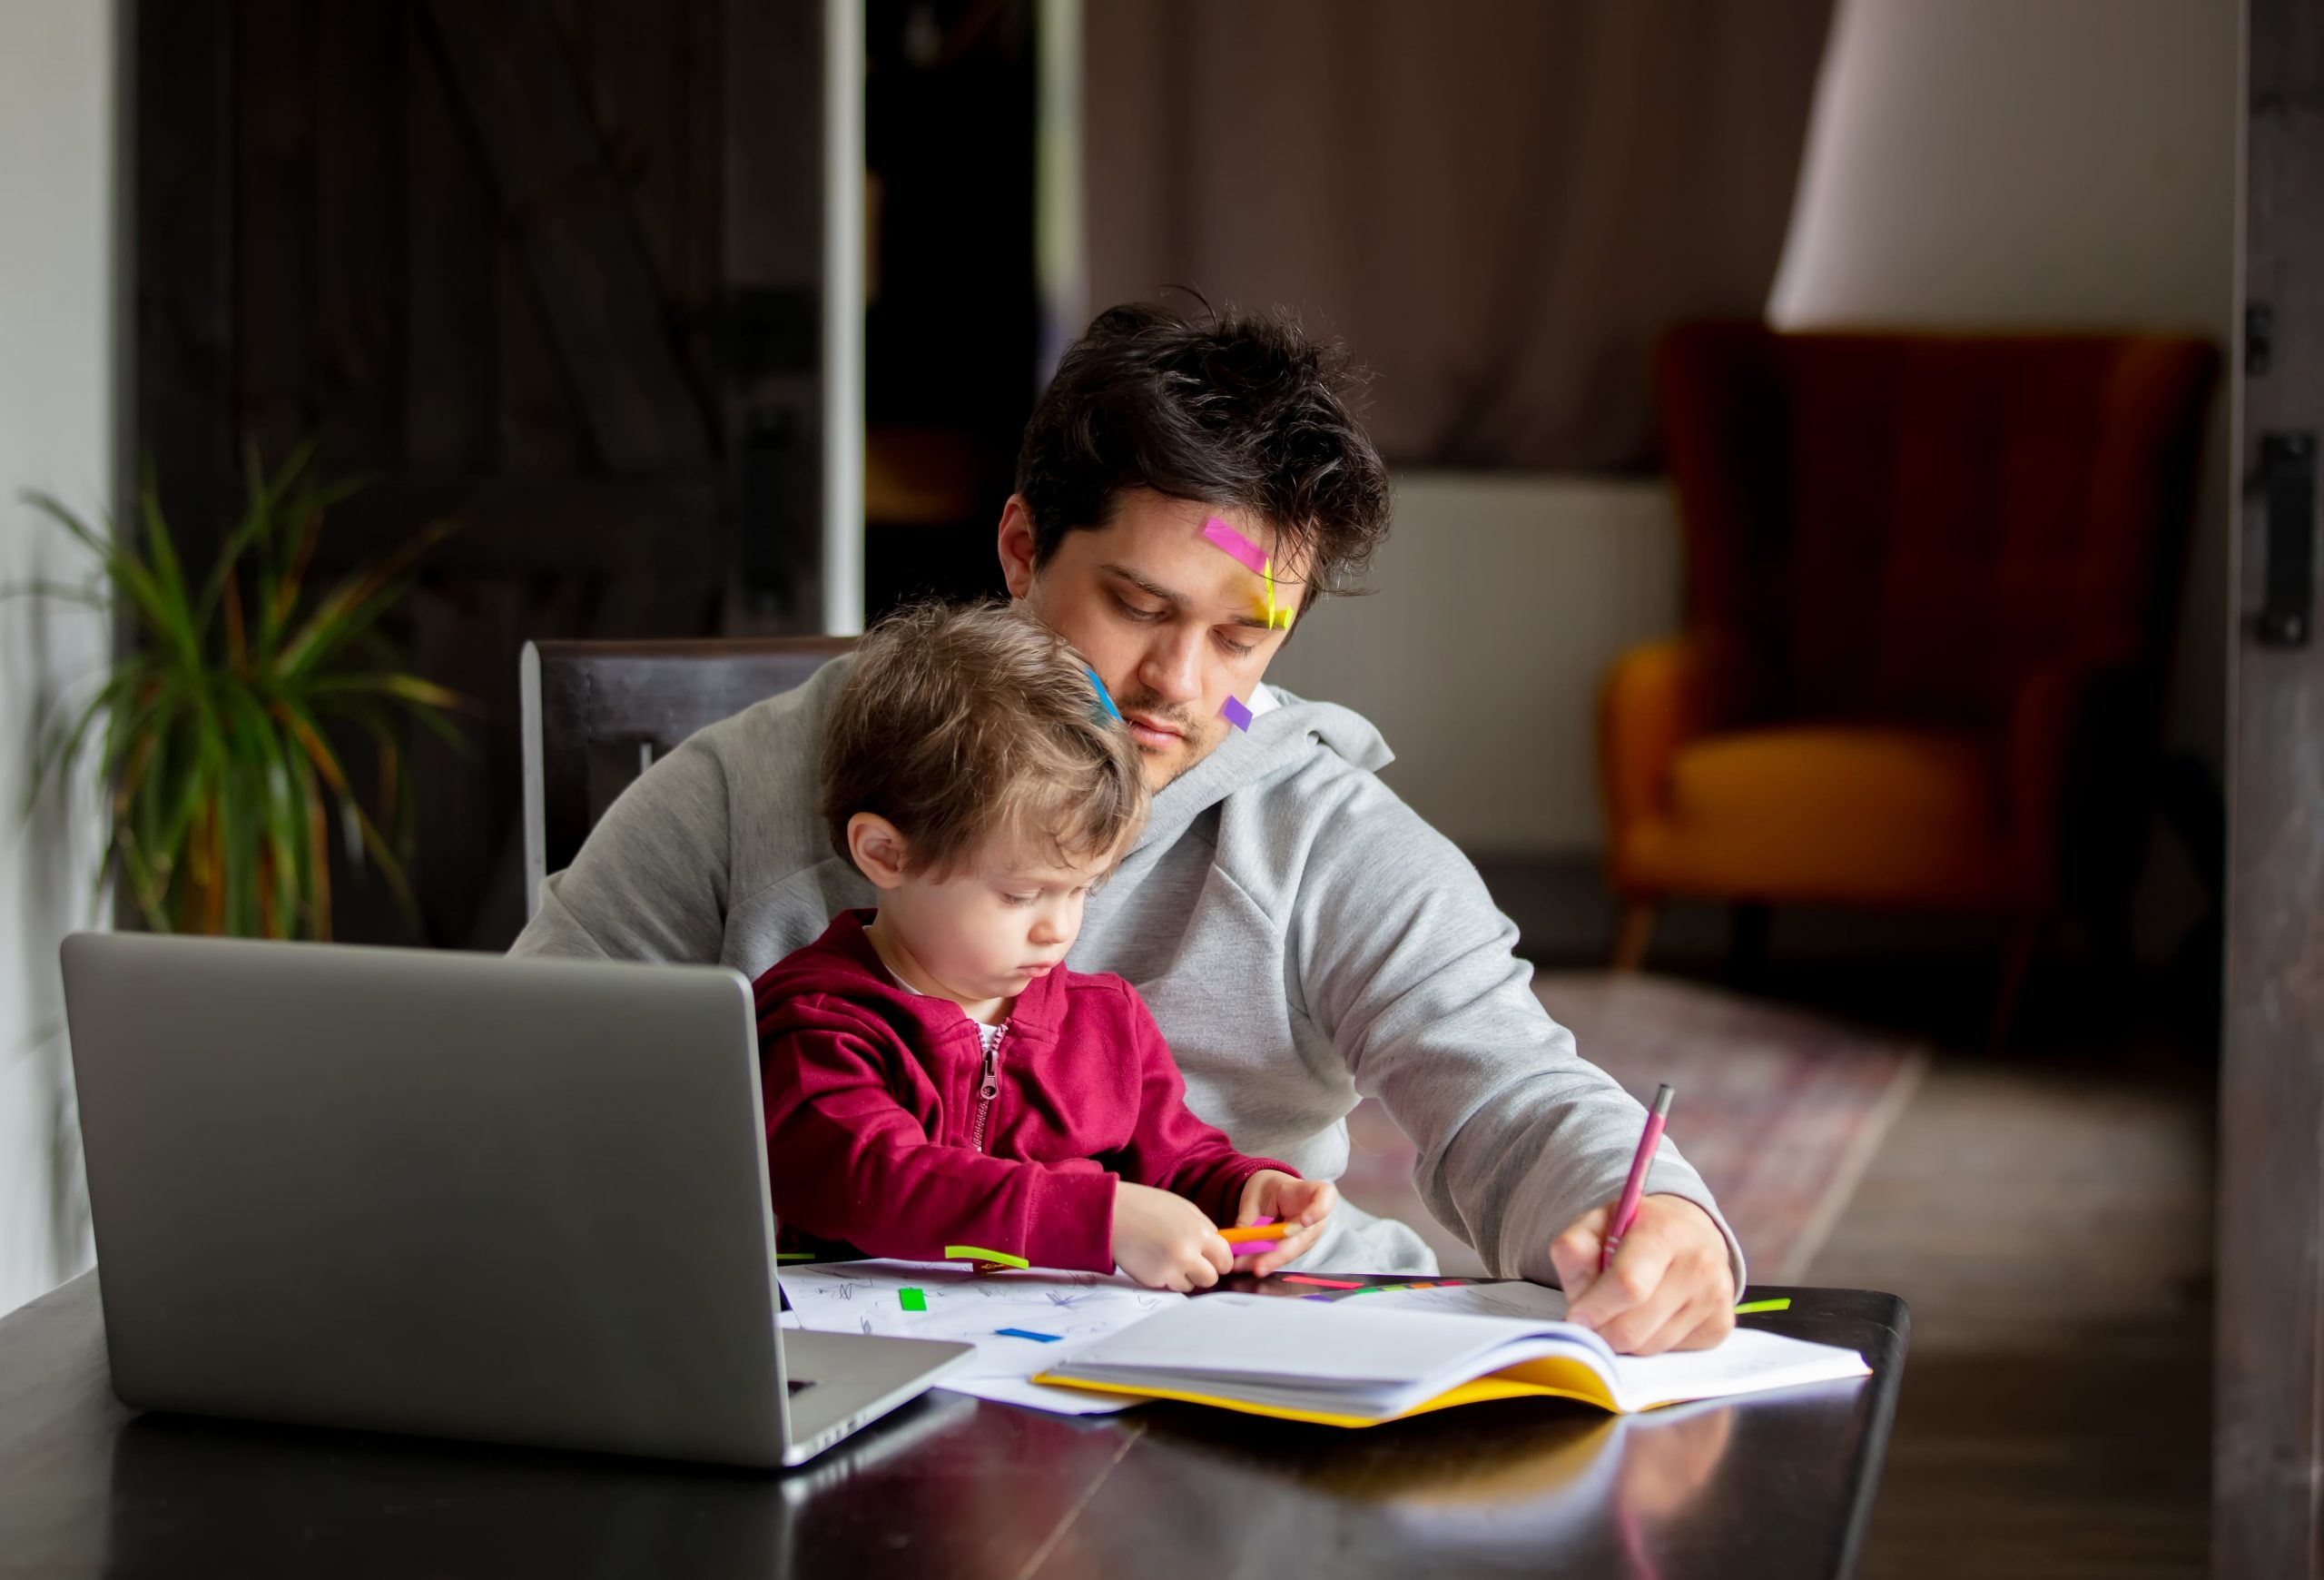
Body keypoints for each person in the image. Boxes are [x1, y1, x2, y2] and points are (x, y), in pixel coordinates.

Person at [514, 301, 1742, 1354]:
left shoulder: (1322, 835)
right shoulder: (758, 783)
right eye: (1139, 605)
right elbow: (531, 1076)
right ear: (1018, 547)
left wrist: (1657, 1222)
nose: (1179, 684)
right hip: (821, 1366)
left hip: (1227, 1380)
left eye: (1243, 636)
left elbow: (1510, 1091)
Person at [754, 601, 1337, 1292]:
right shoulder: (815, 1021)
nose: (1058, 929)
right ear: (885, 853)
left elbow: (1178, 1162)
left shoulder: (1106, 1021)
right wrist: (1102, 1217)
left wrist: (1246, 1190)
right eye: (1020, 894)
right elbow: (878, 1181)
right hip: (864, 1357)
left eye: (1082, 890)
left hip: (1061, 1359)